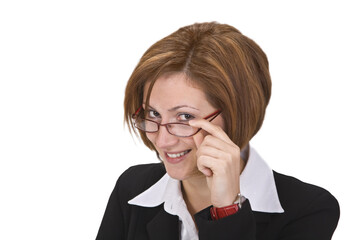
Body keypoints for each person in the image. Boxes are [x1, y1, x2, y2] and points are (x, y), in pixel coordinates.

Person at [96, 22, 340, 240]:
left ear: (237, 113)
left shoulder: (309, 209)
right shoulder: (132, 188)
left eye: (185, 117)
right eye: (154, 114)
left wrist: (226, 210)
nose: (162, 140)